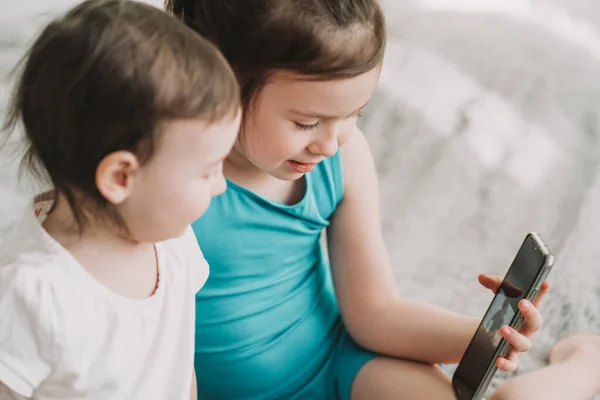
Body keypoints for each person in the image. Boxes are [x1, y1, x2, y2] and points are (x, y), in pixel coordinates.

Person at [165, 0, 600, 399]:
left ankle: (583, 368)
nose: (331, 143)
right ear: (218, 74)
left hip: (345, 365)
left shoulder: (342, 162)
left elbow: (375, 314)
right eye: (307, 122)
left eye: (354, 114)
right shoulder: (168, 181)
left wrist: (485, 336)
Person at [0, 0, 240, 398]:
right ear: (120, 176)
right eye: (208, 169)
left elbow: (179, 372)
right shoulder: (33, 295)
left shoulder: (173, 243)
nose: (221, 186)